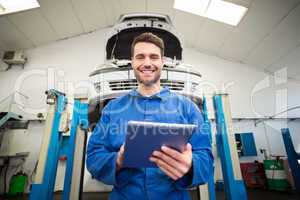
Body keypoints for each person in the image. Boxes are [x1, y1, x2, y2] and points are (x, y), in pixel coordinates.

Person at [86, 32, 213, 200]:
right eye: (140, 57)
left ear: (162, 62)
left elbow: (206, 159)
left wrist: (191, 165)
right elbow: (94, 156)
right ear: (132, 62)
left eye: (153, 57)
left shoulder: (187, 108)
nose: (147, 63)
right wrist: (118, 160)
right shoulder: (112, 109)